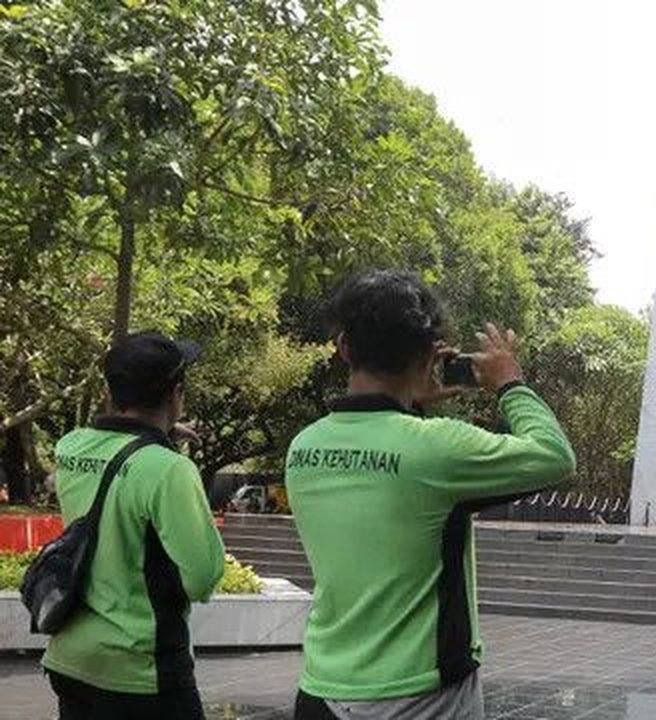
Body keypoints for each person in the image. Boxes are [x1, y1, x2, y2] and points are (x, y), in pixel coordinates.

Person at [286, 270, 575, 720]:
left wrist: (411, 404)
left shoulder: (304, 447)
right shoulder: (438, 447)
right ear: (427, 353)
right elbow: (554, 456)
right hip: (418, 696)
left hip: (321, 689)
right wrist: (510, 382)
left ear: (343, 346)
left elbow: (391, 478)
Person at [42, 331, 225, 719]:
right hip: (138, 670)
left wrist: (163, 431)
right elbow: (203, 578)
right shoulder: (170, 470)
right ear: (177, 394)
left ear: (108, 392)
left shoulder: (70, 447)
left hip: (70, 661)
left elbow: (113, 449)